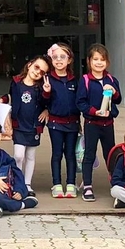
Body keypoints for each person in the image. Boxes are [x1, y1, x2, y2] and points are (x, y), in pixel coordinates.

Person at [76, 44, 121, 202]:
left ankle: (116, 182)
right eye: (95, 59)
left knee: (111, 154)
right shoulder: (85, 80)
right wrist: (94, 111)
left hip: (108, 124)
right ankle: (87, 185)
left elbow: (118, 99)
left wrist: (114, 92)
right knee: (89, 154)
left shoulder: (111, 79)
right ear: (89, 61)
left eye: (102, 59)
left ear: (107, 62)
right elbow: (80, 102)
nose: (99, 62)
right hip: (92, 123)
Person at [6, 56, 50, 196]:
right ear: (30, 64)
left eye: (42, 72)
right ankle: (17, 182)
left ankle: (27, 184)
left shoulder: (40, 87)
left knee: (30, 155)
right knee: (18, 155)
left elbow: (46, 102)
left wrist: (46, 107)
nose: (38, 72)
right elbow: (10, 96)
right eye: (36, 67)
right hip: (19, 124)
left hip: (34, 126)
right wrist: (2, 99)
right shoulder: (16, 82)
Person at [44, 42, 81, 199]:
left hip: (72, 123)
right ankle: (57, 184)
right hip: (55, 123)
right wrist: (46, 92)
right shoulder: (48, 79)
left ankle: (71, 183)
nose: (59, 60)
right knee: (57, 153)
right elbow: (43, 101)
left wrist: (80, 122)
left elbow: (79, 101)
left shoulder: (74, 80)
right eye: (55, 57)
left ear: (69, 59)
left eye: (62, 57)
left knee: (70, 154)